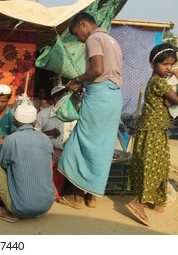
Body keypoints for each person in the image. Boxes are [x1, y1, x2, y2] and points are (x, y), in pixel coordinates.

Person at [57, 12, 123, 209]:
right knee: (103, 145)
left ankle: (77, 197)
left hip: (99, 96)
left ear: (83, 24)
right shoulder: (112, 40)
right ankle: (92, 197)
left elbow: (97, 69)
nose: (78, 38)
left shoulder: (94, 39)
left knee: (83, 142)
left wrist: (77, 81)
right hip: (114, 97)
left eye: (76, 33)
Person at [125, 44, 178, 226]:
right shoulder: (159, 83)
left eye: (172, 65)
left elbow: (169, 102)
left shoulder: (156, 81)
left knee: (155, 165)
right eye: (165, 64)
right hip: (153, 130)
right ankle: (137, 203)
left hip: (153, 128)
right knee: (153, 167)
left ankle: (151, 199)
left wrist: (168, 103)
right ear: (152, 64)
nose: (169, 68)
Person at [0, 104, 55, 222]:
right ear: (35, 122)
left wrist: (1, 144)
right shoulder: (45, 138)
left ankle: (9, 209)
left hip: (20, 208)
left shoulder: (11, 140)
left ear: (14, 121)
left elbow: (2, 165)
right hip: (46, 206)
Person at [35, 85, 76, 150]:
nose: (68, 102)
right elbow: (34, 137)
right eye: (65, 100)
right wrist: (47, 133)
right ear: (56, 99)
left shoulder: (73, 115)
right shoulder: (43, 115)